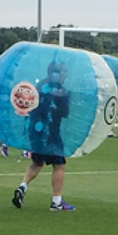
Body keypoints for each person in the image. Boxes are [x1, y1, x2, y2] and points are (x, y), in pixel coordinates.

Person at [11, 61, 75, 211]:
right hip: (51, 133)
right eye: (63, 72)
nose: (66, 75)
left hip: (36, 130)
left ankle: (23, 186)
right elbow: (64, 114)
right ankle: (56, 201)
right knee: (59, 165)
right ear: (56, 73)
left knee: (37, 162)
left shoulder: (38, 87)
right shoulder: (61, 92)